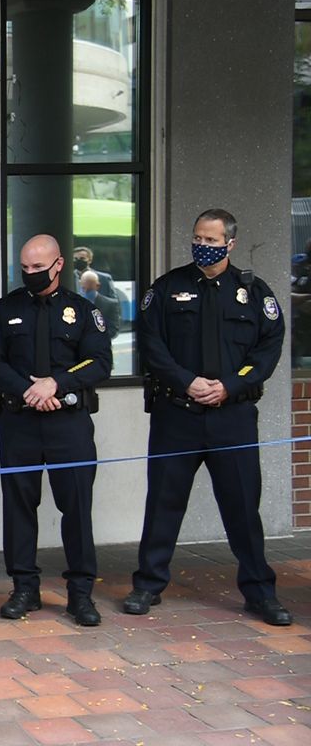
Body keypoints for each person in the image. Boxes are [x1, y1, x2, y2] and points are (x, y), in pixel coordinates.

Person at [125, 209, 291, 626]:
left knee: (242, 508)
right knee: (163, 503)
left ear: (230, 244)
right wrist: (186, 381)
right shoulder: (166, 289)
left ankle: (260, 592)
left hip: (231, 417)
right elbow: (151, 344)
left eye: (212, 240)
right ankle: (147, 585)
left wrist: (230, 385)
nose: (203, 244)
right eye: (198, 236)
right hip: (176, 415)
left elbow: (268, 349)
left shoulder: (253, 293)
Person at [0, 234, 111, 627]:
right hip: (19, 422)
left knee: (76, 509)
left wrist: (55, 384)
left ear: (58, 265)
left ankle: (81, 594)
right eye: (26, 268)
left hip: (68, 424)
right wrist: (29, 390)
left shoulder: (83, 311)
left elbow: (99, 362)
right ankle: (24, 588)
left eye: (39, 267)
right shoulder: (4, 310)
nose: (31, 274)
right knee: (19, 506)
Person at [79, 270, 121, 340]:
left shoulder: (110, 304)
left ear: (97, 286)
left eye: (89, 290)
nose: (85, 292)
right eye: (83, 288)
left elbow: (113, 330)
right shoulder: (74, 302)